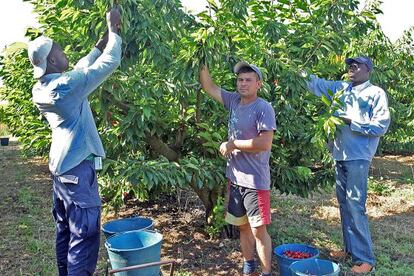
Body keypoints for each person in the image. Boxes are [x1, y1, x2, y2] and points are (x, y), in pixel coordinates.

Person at [27, 7, 122, 275]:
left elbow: (79, 70)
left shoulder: (43, 87)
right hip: (78, 171)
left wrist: (96, 47)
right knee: (84, 236)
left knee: (66, 233)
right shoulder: (66, 87)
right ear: (53, 61)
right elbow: (109, 63)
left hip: (61, 171)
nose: (63, 52)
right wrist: (113, 31)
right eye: (59, 50)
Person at [306, 56, 390, 273]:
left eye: (357, 65)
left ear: (368, 70)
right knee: (344, 204)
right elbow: (316, 84)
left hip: (359, 156)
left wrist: (353, 123)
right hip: (340, 155)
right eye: (349, 66)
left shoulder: (375, 93)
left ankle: (365, 259)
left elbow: (381, 125)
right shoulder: (341, 88)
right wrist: (295, 72)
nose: (351, 68)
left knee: (355, 205)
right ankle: (350, 250)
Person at [200, 62, 276, 276]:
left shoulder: (263, 108)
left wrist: (232, 144)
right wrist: (202, 56)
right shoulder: (234, 101)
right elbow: (209, 87)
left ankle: (266, 271)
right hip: (235, 180)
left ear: (258, 84)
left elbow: (264, 143)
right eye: (240, 80)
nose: (243, 84)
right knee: (242, 226)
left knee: (258, 230)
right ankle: (248, 265)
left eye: (248, 80)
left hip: (255, 182)